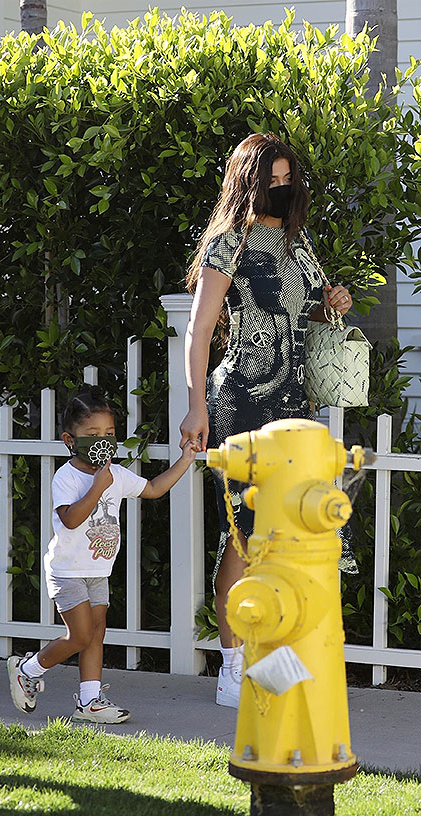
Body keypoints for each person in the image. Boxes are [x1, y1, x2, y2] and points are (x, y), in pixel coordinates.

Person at [180, 133, 354, 708]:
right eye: (270, 180)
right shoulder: (229, 242)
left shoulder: (299, 242)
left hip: (293, 402)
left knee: (287, 532)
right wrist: (195, 402)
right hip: (244, 399)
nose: (281, 189)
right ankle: (232, 664)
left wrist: (334, 300)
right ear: (247, 182)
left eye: (287, 180)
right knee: (245, 533)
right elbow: (200, 329)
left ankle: (269, 656)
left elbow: (309, 305)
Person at [7, 387, 199, 723]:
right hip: (67, 571)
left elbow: (153, 489)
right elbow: (70, 519)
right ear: (70, 440)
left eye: (109, 433)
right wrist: (97, 486)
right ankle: (28, 669)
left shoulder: (117, 475)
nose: (103, 440)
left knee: (96, 635)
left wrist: (185, 459)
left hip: (98, 571)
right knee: (80, 635)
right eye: (92, 434)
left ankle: (89, 701)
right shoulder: (67, 477)